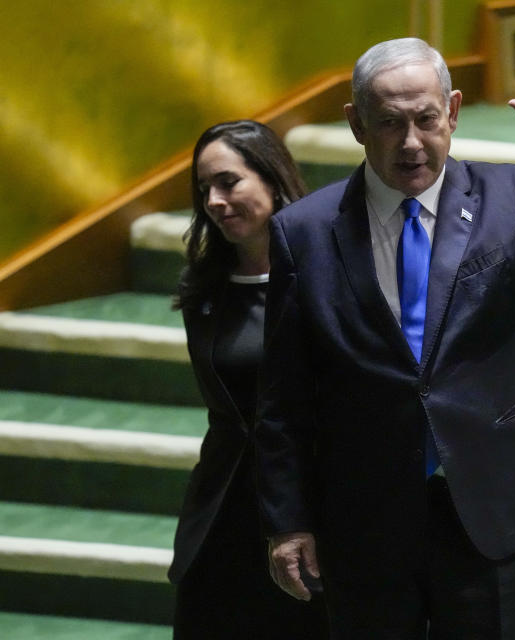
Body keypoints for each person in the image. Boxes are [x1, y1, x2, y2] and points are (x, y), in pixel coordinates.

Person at [256, 38, 515, 638]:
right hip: (367, 517)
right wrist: (287, 521)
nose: (411, 143)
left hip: (489, 509)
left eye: (426, 119)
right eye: (389, 123)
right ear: (356, 124)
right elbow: (284, 395)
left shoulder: (509, 198)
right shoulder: (302, 233)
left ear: (452, 112)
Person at [167, 120, 326, 638]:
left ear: (272, 179)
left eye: (228, 182)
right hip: (224, 508)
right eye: (203, 189)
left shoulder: (327, 275)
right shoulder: (204, 287)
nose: (214, 199)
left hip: (311, 507)